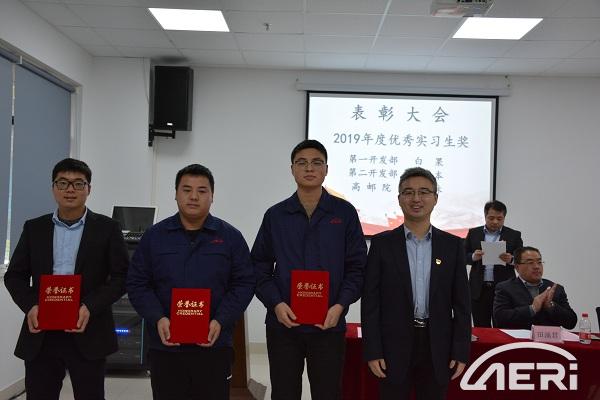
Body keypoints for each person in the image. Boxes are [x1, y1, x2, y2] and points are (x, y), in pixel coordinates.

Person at [126, 164, 254, 400]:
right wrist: (158, 317)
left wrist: (221, 320)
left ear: (212, 196)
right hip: (165, 345)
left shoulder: (230, 237)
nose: (194, 196)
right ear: (176, 194)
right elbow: (137, 283)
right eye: (186, 190)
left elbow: (244, 283)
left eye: (202, 190)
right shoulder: (155, 237)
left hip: (214, 345)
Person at [4, 158, 129, 400]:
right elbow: (15, 276)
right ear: (53, 188)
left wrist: (89, 306)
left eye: (78, 183)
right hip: (42, 332)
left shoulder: (108, 228)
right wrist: (31, 305)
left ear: (89, 189)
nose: (70, 189)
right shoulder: (34, 228)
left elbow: (122, 276)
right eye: (63, 183)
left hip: (88, 328)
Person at [252, 139, 367, 400]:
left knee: (328, 393)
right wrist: (276, 304)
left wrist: (340, 305)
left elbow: (357, 267)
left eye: (316, 162)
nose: (309, 168)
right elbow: (258, 267)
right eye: (301, 163)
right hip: (283, 325)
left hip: (329, 325)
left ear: (326, 169)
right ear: (292, 169)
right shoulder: (276, 215)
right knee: (284, 393)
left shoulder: (344, 213)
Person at [361, 167, 470, 400]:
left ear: (435, 198)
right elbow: (371, 302)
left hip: (437, 346)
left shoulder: (452, 246)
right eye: (408, 192)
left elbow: (462, 304)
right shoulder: (382, 244)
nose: (416, 198)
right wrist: (373, 350)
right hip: (392, 346)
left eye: (424, 192)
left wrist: (460, 350)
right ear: (399, 198)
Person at [465, 200, 523, 327]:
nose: (495, 222)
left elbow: (521, 259)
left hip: (504, 289)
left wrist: (511, 260)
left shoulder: (514, 235)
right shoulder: (474, 233)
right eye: (491, 218)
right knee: (481, 327)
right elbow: (462, 256)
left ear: (504, 218)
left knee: (503, 326)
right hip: (479, 289)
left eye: (499, 218)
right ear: (485, 216)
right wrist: (474, 256)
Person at [493, 246, 577, 330]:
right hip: (518, 338)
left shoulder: (555, 289)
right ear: (517, 267)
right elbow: (500, 319)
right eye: (530, 263)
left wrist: (551, 306)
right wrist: (532, 309)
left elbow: (571, 322)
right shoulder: (505, 288)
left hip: (548, 338)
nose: (536, 266)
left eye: (539, 262)